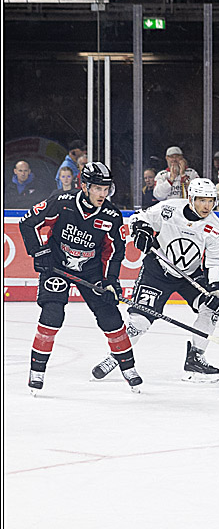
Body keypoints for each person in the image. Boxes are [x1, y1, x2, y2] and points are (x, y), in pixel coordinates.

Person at [18, 162, 143, 393]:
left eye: (106, 189)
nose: (103, 194)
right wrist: (39, 252)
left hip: (91, 270)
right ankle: (37, 370)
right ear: (84, 186)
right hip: (57, 267)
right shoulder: (62, 202)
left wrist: (111, 281)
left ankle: (129, 368)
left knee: (111, 317)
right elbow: (27, 223)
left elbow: (116, 252)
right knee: (52, 315)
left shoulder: (111, 215)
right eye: (98, 188)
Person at [90, 178, 219, 383]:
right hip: (157, 272)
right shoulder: (168, 209)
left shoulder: (216, 228)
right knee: (140, 322)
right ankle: (116, 356)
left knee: (211, 307)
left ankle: (196, 356)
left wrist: (215, 288)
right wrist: (142, 230)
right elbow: (138, 218)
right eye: (201, 200)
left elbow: (214, 262)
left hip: (189, 276)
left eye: (210, 201)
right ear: (190, 199)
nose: (207, 206)